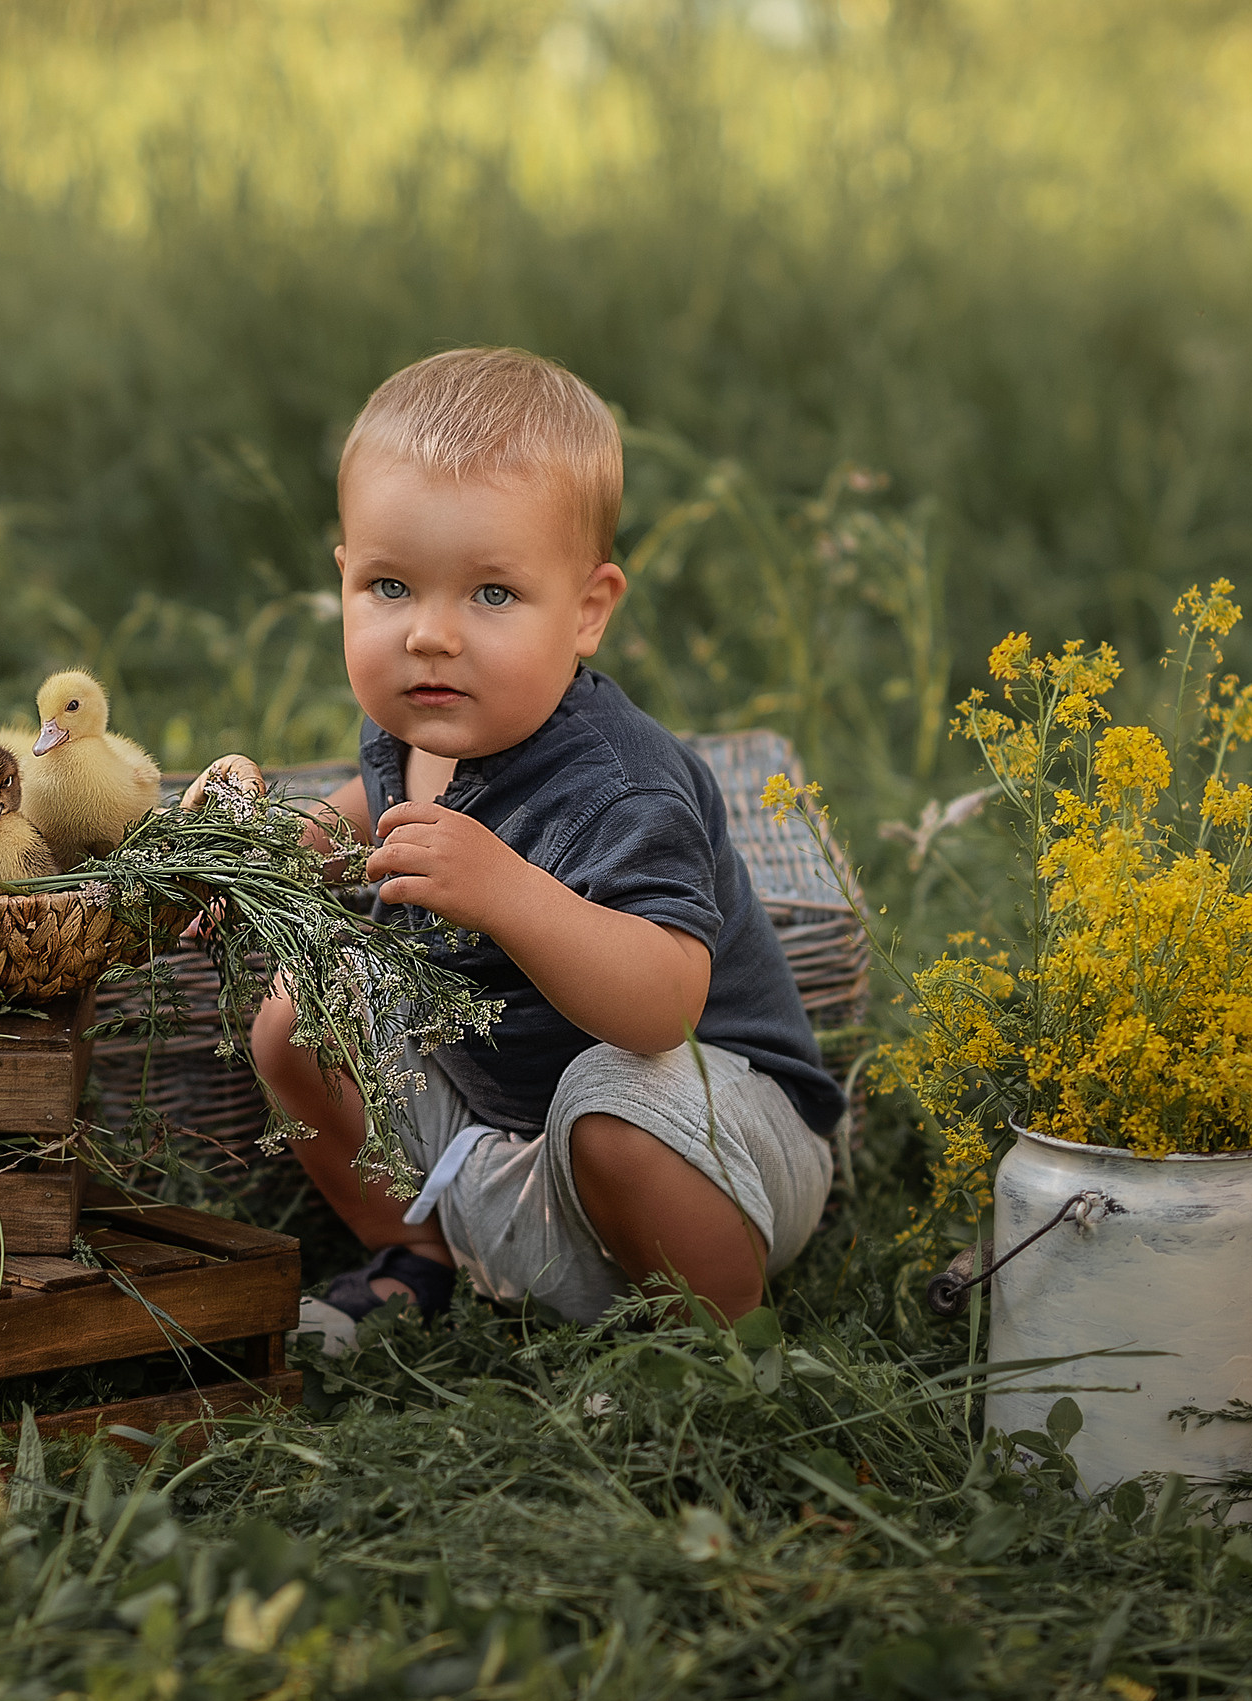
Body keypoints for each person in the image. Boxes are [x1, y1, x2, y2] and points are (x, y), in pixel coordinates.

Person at [188, 346, 839, 1342]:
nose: (430, 636)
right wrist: (259, 843)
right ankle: (418, 1254)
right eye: (391, 586)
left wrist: (507, 891)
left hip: (713, 1151)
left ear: (587, 609)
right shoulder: (424, 724)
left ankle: (719, 1338)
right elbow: (364, 815)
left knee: (608, 1095)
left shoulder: (617, 783)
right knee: (293, 1014)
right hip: (520, 1144)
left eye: (491, 594)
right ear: (344, 579)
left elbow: (663, 1006)